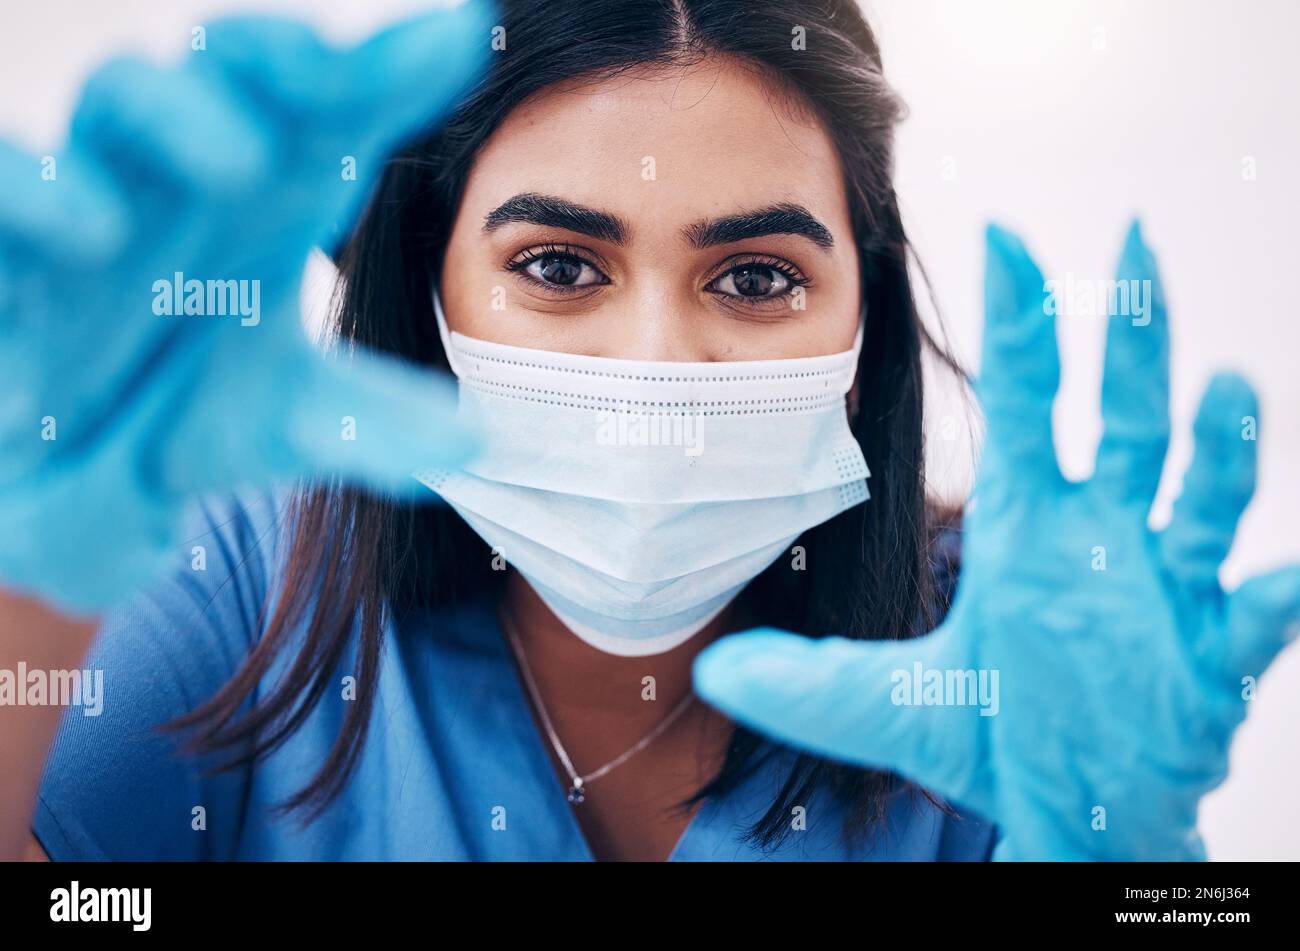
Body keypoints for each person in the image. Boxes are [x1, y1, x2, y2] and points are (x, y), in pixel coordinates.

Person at [1, 0, 1295, 863]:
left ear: (863, 338)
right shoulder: (241, 578)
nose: (655, 372)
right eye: (559, 267)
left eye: (755, 278)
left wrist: (1136, 866)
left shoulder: (1002, 652)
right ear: (430, 291)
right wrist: (25, 579)